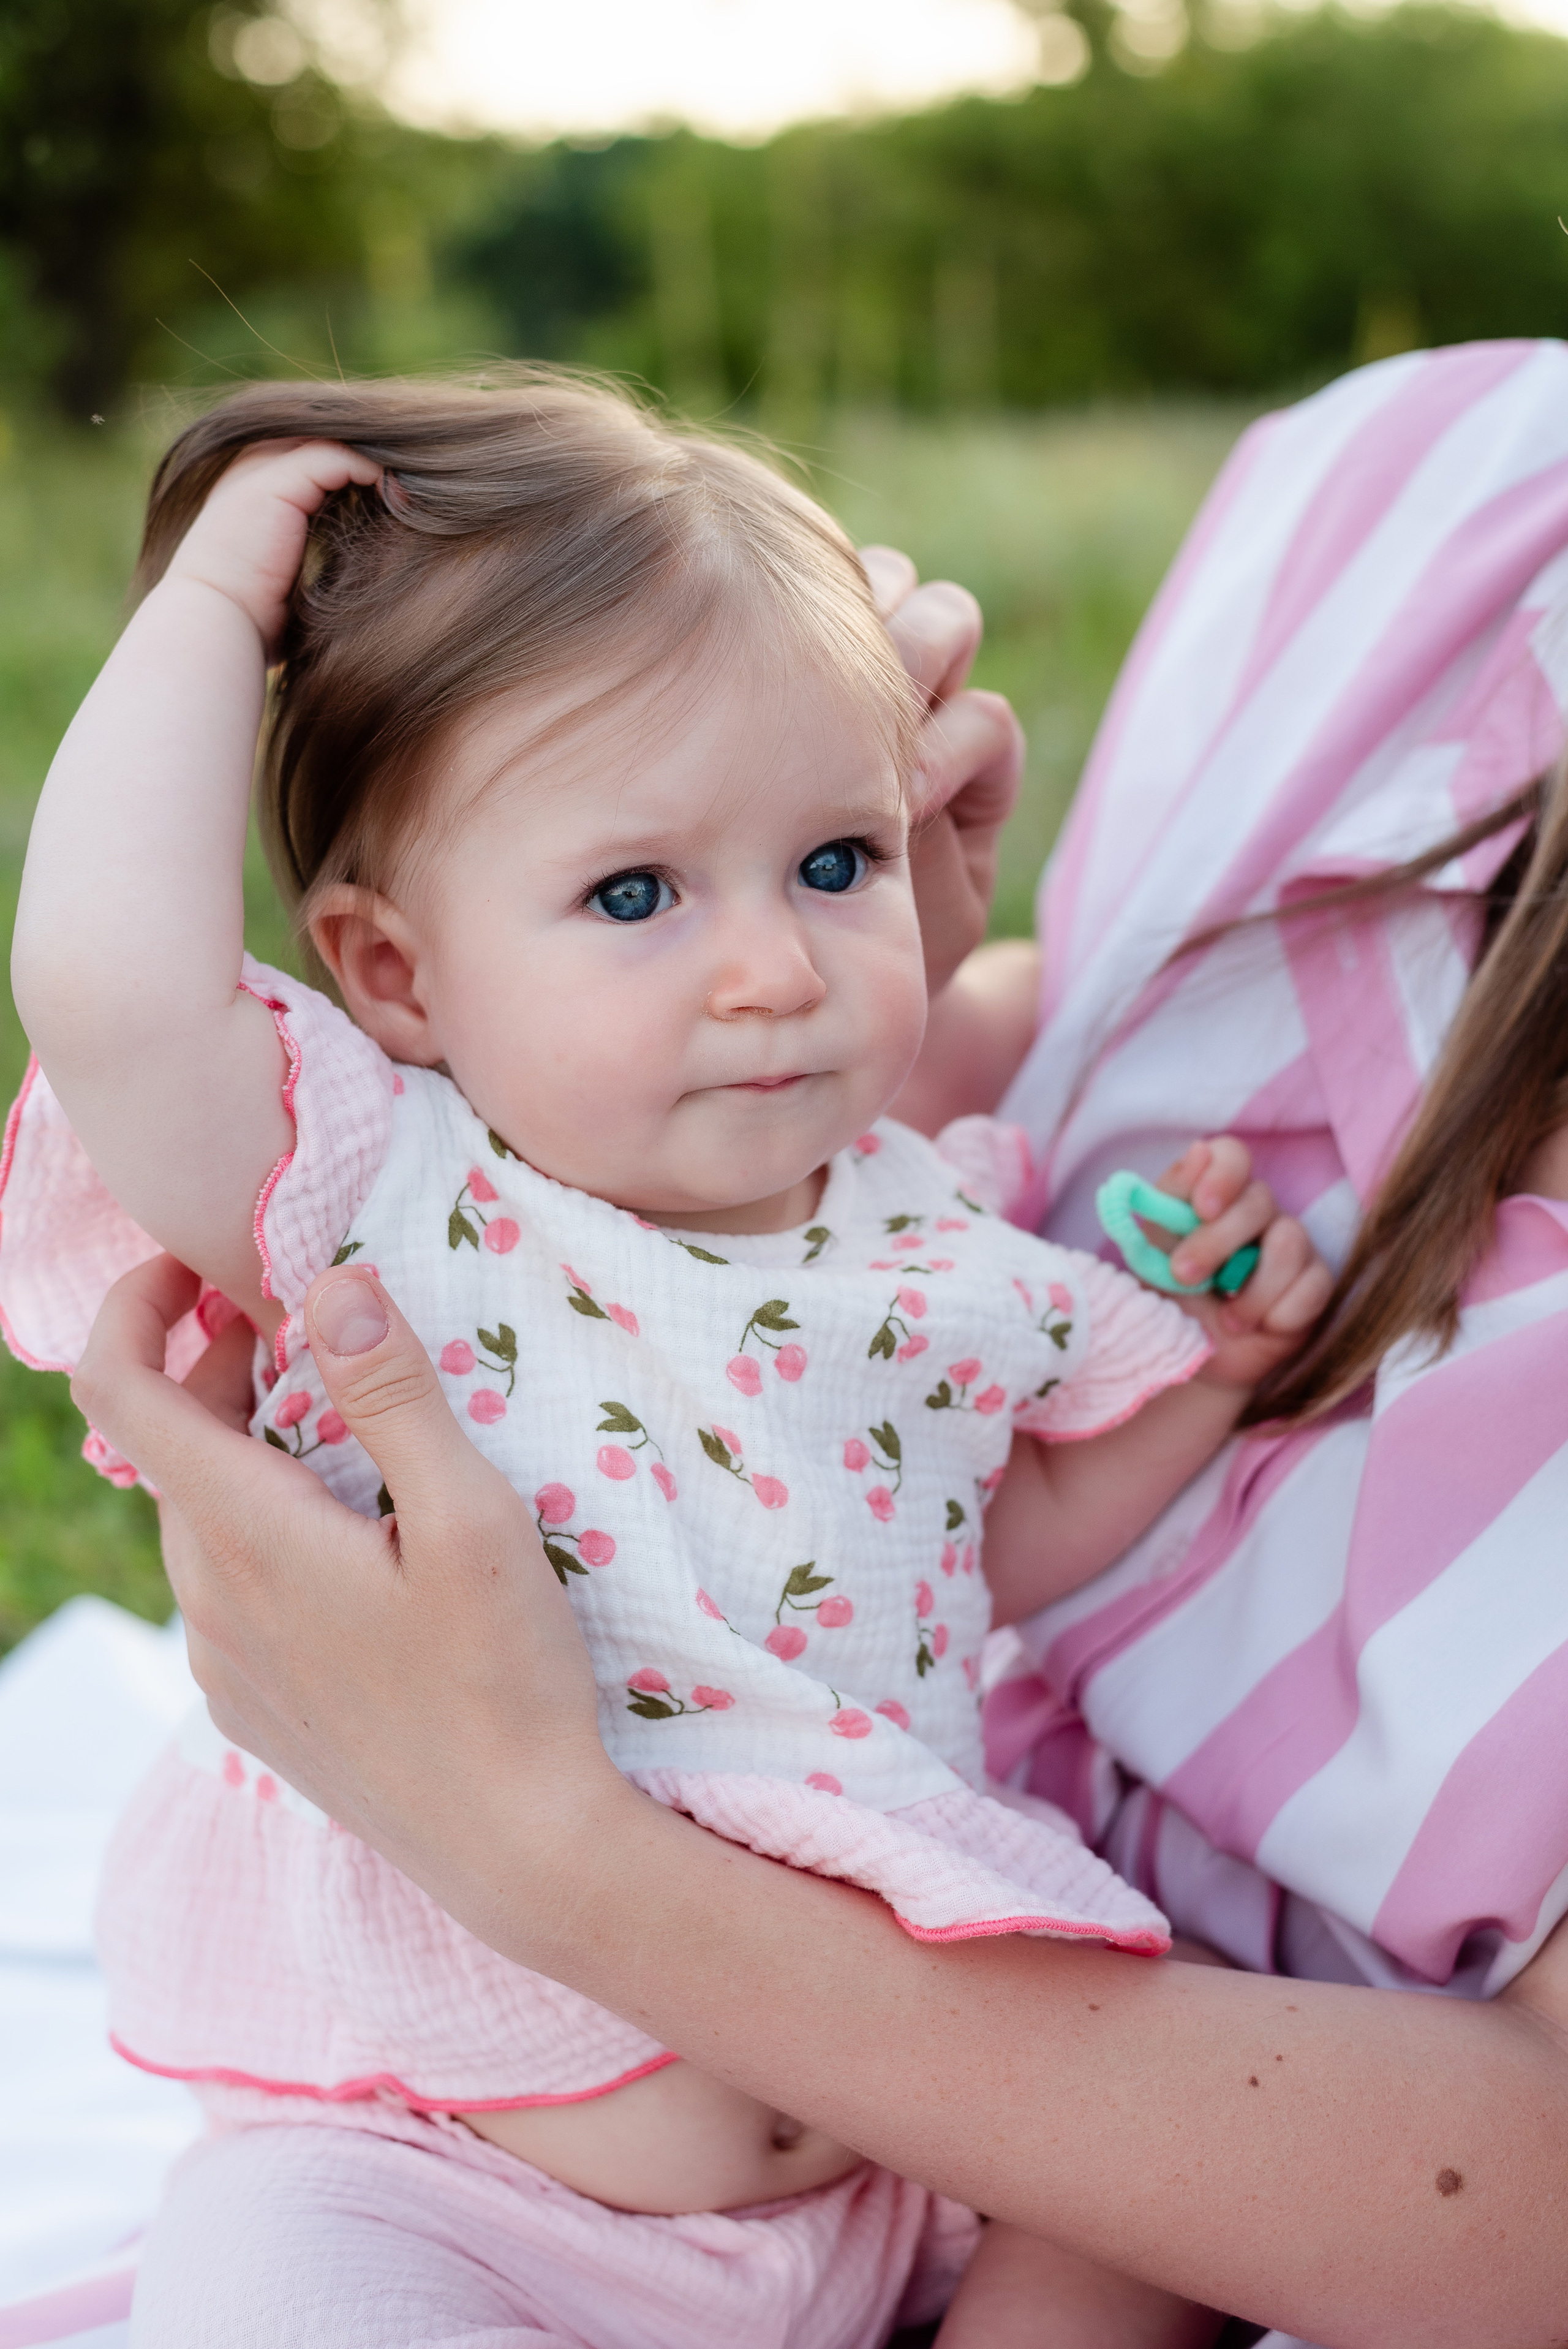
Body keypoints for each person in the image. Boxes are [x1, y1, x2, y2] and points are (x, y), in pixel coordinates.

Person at [55, 336, 1568, 2349]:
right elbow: (110, 983)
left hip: (895, 2169)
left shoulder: (922, 1235)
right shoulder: (403, 1194)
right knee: (278, 2296)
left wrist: (1203, 1372)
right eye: (635, 892)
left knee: (1141, 2231)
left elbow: (987, 1540)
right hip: (463, 2178)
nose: (773, 966)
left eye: (834, 862)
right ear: (397, 972)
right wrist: (212, 609)